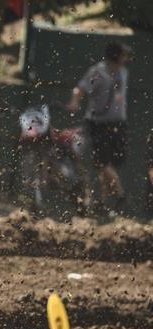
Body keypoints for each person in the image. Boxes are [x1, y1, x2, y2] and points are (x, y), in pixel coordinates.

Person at [67, 42, 130, 213]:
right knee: (102, 162)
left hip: (118, 124)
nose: (126, 58)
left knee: (107, 165)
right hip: (98, 124)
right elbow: (80, 88)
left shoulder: (123, 72)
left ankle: (102, 202)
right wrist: (74, 102)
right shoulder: (98, 71)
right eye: (123, 55)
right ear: (116, 56)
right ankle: (120, 195)